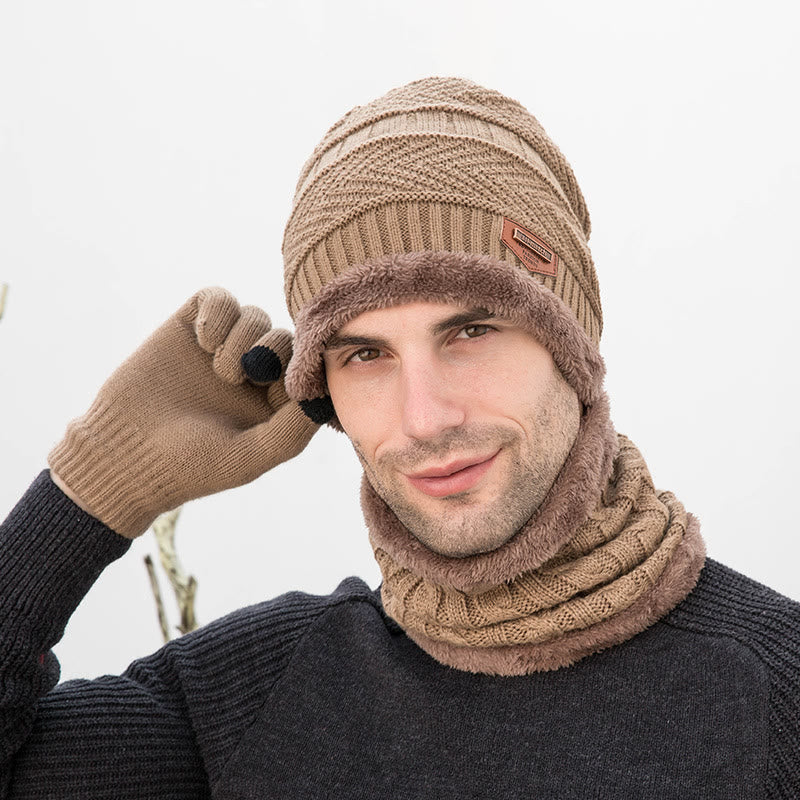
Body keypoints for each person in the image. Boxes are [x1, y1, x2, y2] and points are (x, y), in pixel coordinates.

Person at [1, 77, 798, 798]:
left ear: (572, 342)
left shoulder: (774, 689)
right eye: (365, 355)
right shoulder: (247, 704)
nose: (425, 418)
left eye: (471, 330)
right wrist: (96, 485)